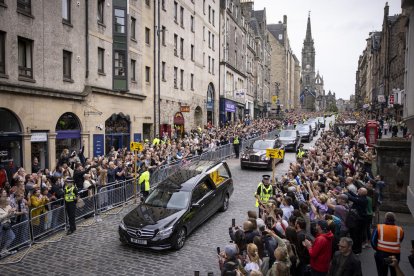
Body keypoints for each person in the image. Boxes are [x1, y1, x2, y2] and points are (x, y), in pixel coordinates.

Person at [371, 212, 404, 276]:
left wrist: (378, 249)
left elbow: (372, 241)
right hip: (395, 255)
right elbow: (400, 240)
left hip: (382, 254)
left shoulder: (379, 227)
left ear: (385, 219)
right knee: (394, 272)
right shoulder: (400, 229)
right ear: (394, 219)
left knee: (382, 273)